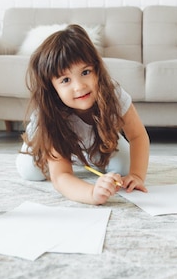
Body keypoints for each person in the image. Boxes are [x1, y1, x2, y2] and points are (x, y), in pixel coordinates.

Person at [16, 24, 150, 205]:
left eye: (85, 72)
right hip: (47, 143)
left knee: (124, 167)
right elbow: (61, 176)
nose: (79, 86)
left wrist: (136, 175)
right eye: (65, 80)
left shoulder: (113, 93)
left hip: (96, 138)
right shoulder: (50, 114)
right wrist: (92, 192)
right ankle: (68, 156)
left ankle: (88, 155)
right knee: (32, 171)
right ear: (53, 89)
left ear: (97, 71)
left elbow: (138, 135)